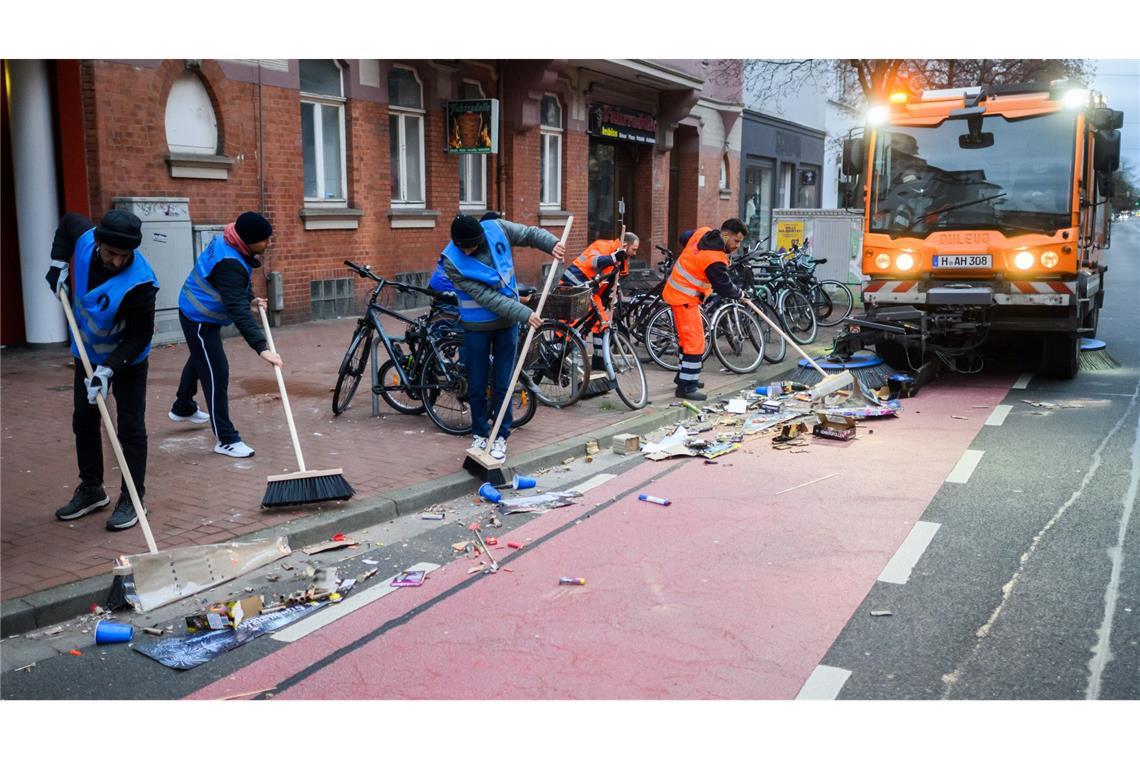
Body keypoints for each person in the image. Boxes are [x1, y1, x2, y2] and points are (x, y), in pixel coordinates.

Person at [47, 209, 159, 531]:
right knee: (84, 419)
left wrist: (109, 370)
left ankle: (133, 498)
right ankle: (92, 489)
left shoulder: (140, 283)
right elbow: (68, 222)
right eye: (112, 254)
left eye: (125, 255)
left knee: (130, 428)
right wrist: (57, 263)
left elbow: (141, 336)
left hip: (127, 360)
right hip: (87, 354)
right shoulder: (84, 241)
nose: (118, 261)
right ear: (98, 242)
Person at [441, 214, 565, 461]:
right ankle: (480, 433)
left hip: (506, 324)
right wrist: (524, 313)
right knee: (476, 383)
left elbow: (528, 234)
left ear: (481, 238)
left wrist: (551, 243)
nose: (465, 251)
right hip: (476, 326)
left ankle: (500, 436)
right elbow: (487, 297)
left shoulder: (497, 229)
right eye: (461, 246)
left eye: (470, 246)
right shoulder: (452, 262)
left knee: (503, 383)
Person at [172, 211, 283, 458]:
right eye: (264, 240)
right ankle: (226, 439)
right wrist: (262, 348)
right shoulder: (230, 263)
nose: (268, 244)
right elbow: (236, 309)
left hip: (199, 308)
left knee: (202, 359)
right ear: (248, 240)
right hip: (198, 315)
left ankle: (183, 407)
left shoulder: (230, 241)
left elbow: (235, 285)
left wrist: (249, 300)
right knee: (216, 372)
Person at [661, 227, 744, 401]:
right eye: (736, 241)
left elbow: (684, 235)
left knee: (686, 341)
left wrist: (690, 256)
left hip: (681, 294)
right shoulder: (714, 259)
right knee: (695, 342)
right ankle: (687, 387)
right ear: (726, 235)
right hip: (684, 298)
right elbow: (723, 286)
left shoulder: (704, 233)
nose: (737, 245)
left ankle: (684, 377)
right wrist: (739, 294)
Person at [560, 232, 639, 376]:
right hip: (573, 285)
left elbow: (611, 280)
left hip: (591, 290)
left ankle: (599, 360)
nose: (635, 253)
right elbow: (594, 262)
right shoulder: (603, 245)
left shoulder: (623, 259)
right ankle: (561, 358)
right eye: (633, 249)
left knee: (602, 322)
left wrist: (610, 298)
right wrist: (614, 257)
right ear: (625, 245)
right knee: (569, 325)